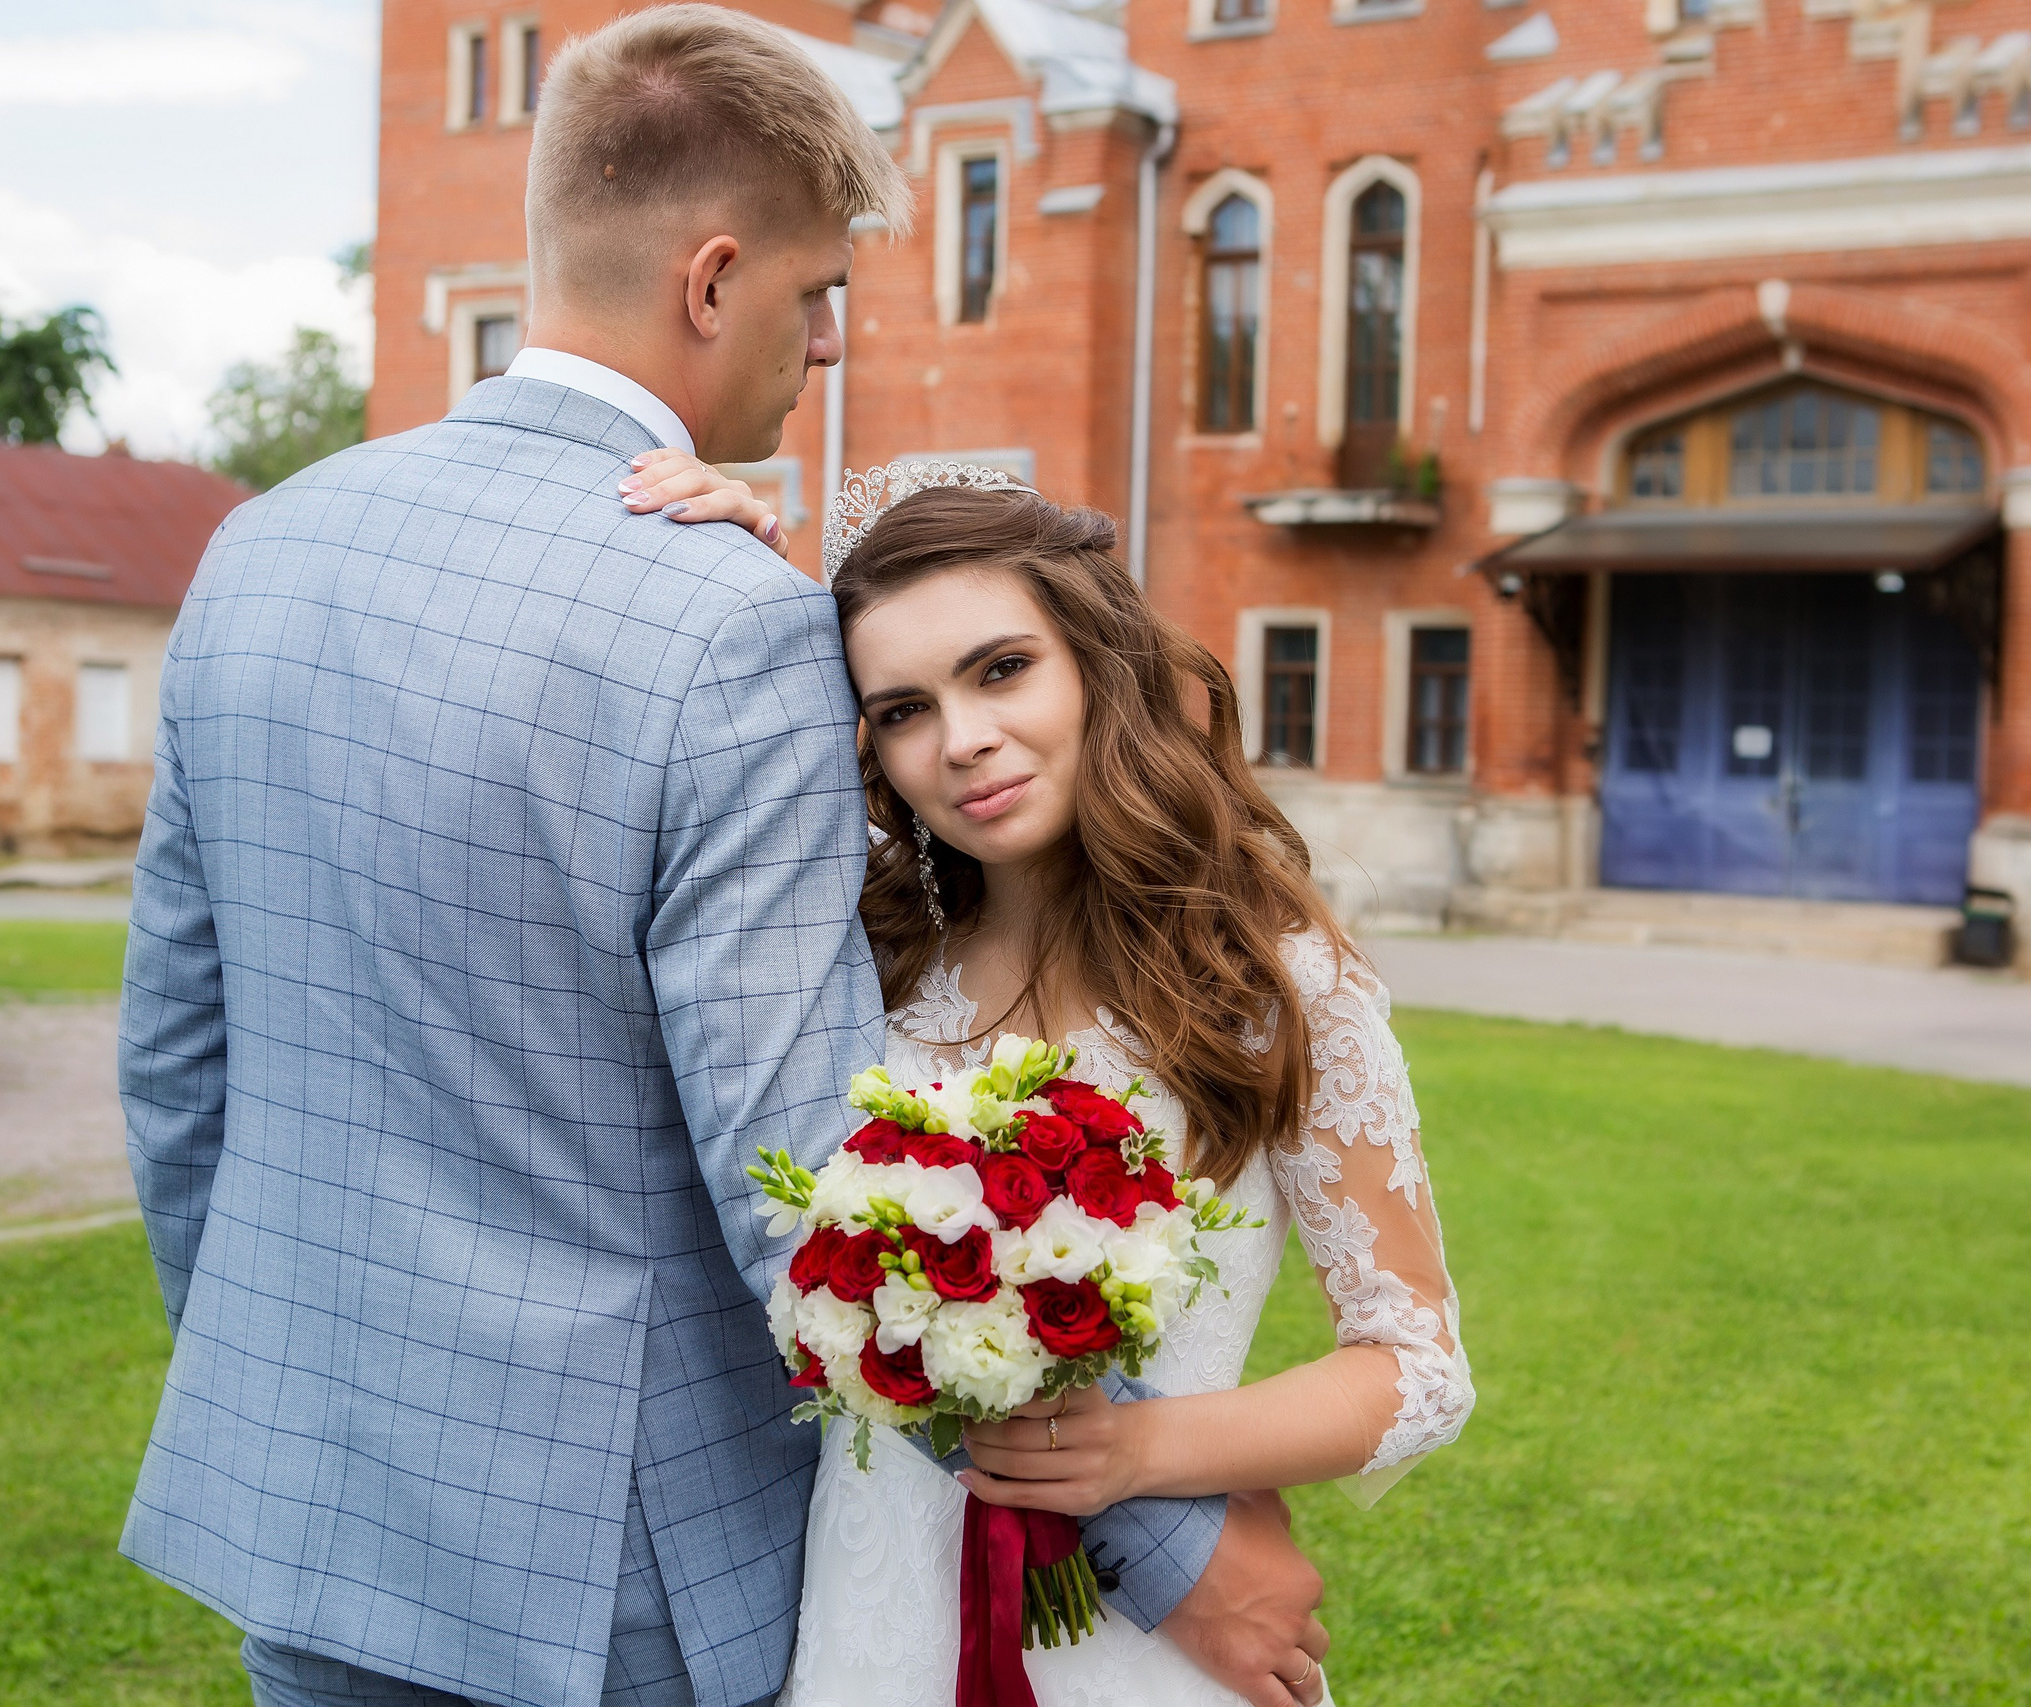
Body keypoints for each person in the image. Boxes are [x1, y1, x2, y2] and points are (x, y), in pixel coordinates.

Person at [117, 9, 1324, 1707]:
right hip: (610, 1587)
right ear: (710, 279)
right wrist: (1164, 1538)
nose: (826, 343)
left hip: (310, 1516)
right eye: (817, 290)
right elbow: (818, 1198)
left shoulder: (258, 550)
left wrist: (295, 1382)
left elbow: (177, 1075)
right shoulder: (728, 623)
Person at [626, 458, 1477, 1707]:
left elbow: (1418, 1364)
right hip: (873, 1611)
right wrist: (732, 563)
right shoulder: (863, 962)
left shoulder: (1270, 982)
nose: (961, 740)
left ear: (1096, 663)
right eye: (903, 708)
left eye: (1001, 669)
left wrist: (1139, 1446)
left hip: (1135, 1640)